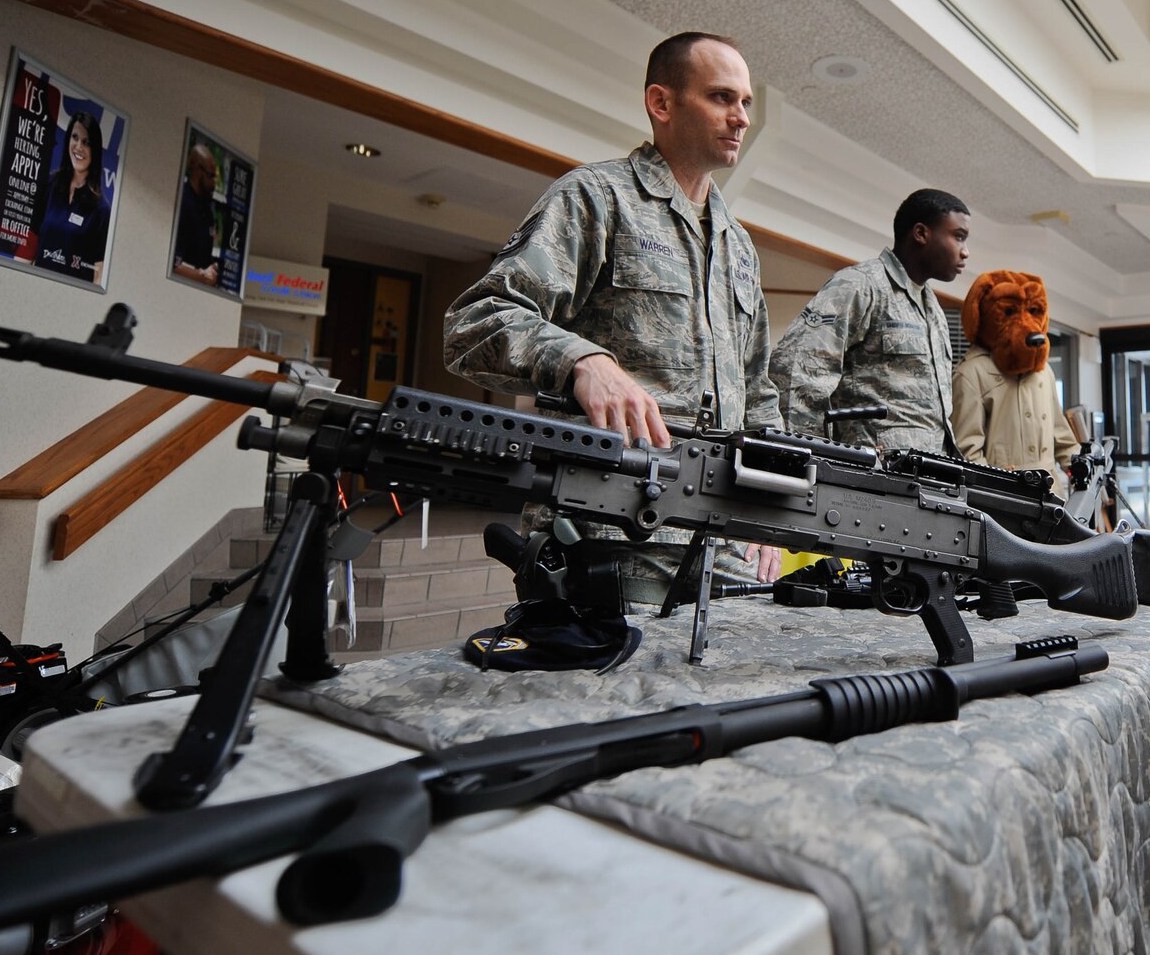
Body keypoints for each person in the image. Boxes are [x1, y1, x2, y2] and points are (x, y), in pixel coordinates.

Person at [444, 31, 783, 603]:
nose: (742, 118)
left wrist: (772, 499)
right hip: (612, 536)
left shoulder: (738, 245)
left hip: (725, 544)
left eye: (746, 103)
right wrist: (583, 360)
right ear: (662, 103)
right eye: (723, 98)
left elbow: (759, 390)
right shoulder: (597, 198)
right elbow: (475, 323)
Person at [769, 188, 969, 453]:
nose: (965, 252)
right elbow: (794, 370)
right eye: (958, 237)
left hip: (927, 475)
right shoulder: (861, 285)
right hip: (870, 473)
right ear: (921, 233)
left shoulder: (934, 310)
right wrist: (809, 455)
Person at [951, 269, 1078, 486]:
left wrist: (1079, 465)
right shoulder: (973, 373)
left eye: (1034, 311)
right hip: (1005, 500)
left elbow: (1061, 435)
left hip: (1051, 496)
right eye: (1009, 312)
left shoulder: (1044, 372)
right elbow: (967, 453)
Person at [34, 110, 110, 286]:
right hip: (35, 286)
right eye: (74, 137)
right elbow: (30, 245)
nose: (78, 146)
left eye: (86, 142)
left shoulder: (101, 210)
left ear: (95, 150)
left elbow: (98, 276)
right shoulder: (50, 185)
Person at [171, 142, 221, 286]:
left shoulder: (207, 210)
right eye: (211, 176)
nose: (214, 183)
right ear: (198, 171)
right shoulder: (183, 203)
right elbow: (173, 265)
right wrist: (202, 276)